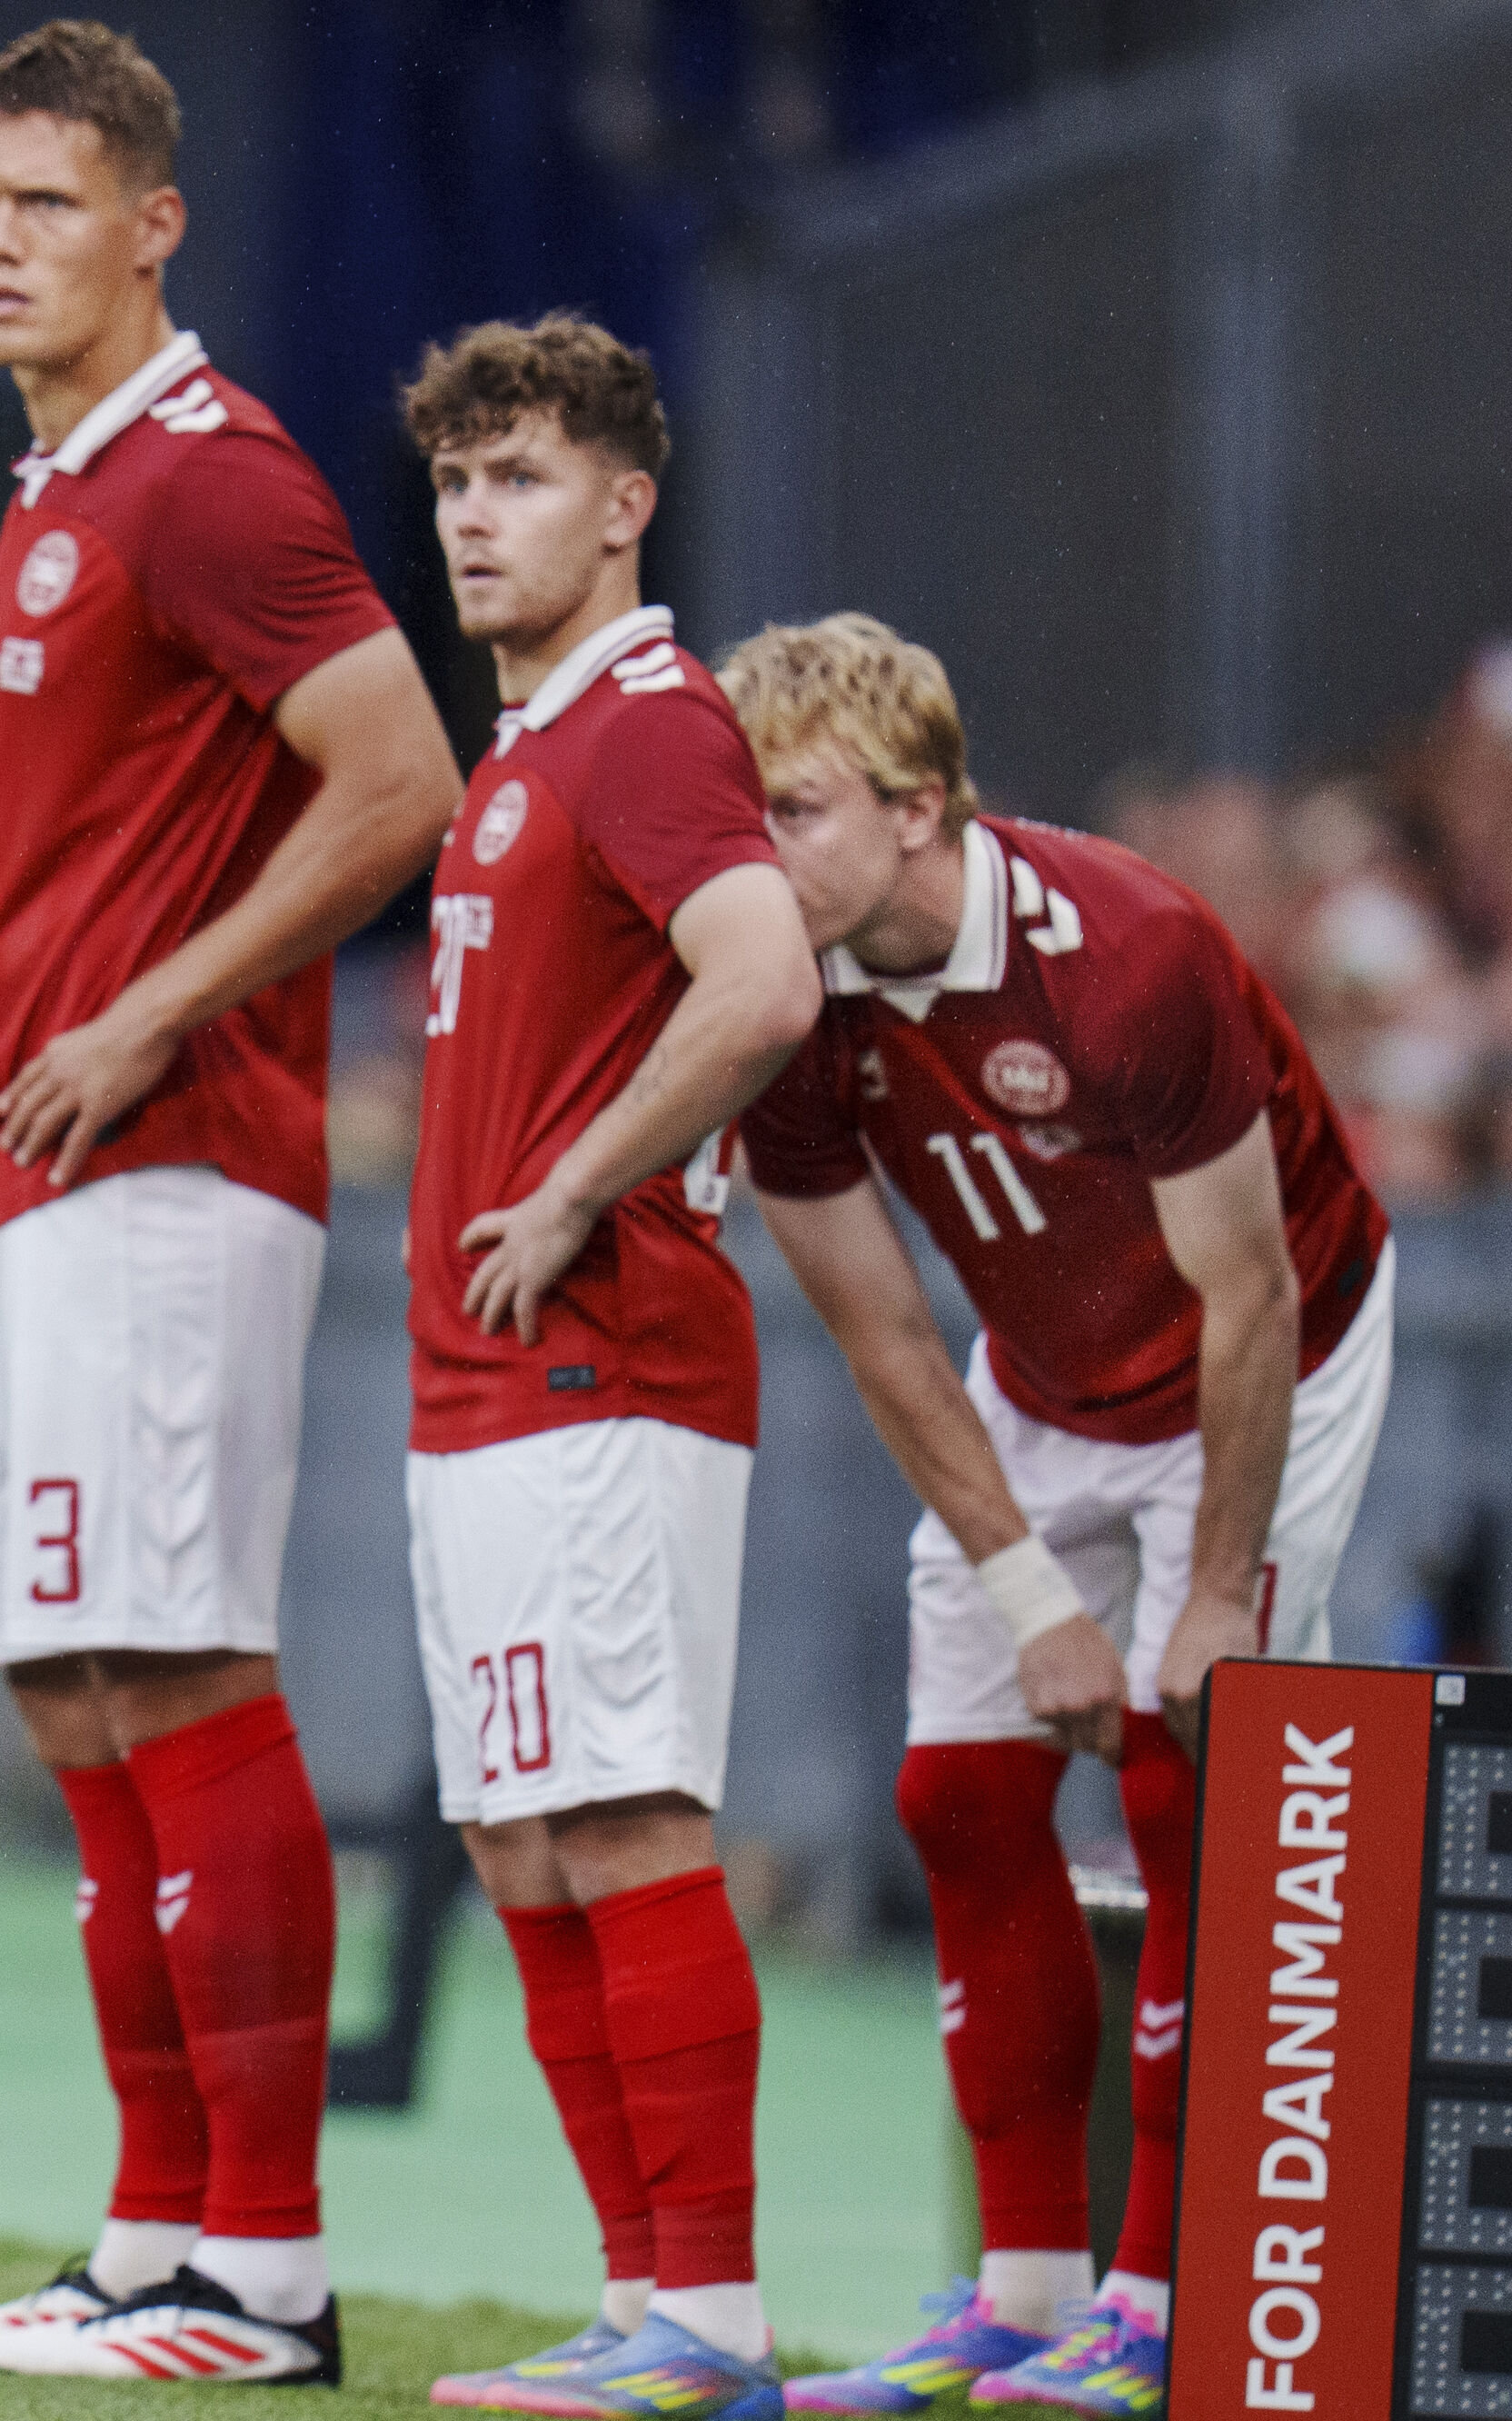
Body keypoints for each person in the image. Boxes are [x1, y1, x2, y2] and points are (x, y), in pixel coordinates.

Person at [0, 20, 465, 2390]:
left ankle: (266, 2270)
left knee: (179, 1671)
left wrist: (150, 1010)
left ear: (154, 226)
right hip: (21, 1169)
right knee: (78, 1688)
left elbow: (402, 776)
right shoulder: (61, 484)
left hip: (162, 1166)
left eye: (44, 204)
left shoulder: (208, 478)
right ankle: (151, 2238)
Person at [725, 615, 1393, 2417]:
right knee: (956, 1795)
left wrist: (1212, 1597)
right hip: (1040, 1369)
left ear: (918, 807)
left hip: (1269, 1355)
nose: (754, 853)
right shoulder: (778, 1001)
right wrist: (1033, 1596)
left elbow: (1249, 1292)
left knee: (1188, 1781)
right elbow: (878, 1326)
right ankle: (1021, 2301)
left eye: (793, 810)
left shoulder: (1130, 952)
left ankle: (1161, 2301)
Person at [398, 314, 821, 2419]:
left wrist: (570, 1182)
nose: (476, 518)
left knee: (621, 1819)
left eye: (523, 478)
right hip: (485, 1379)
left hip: (605, 1361)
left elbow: (763, 982)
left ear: (625, 504)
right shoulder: (525, 747)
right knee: (523, 1841)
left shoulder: (646, 724)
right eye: (455, 482)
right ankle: (637, 2299)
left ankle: (710, 2324)